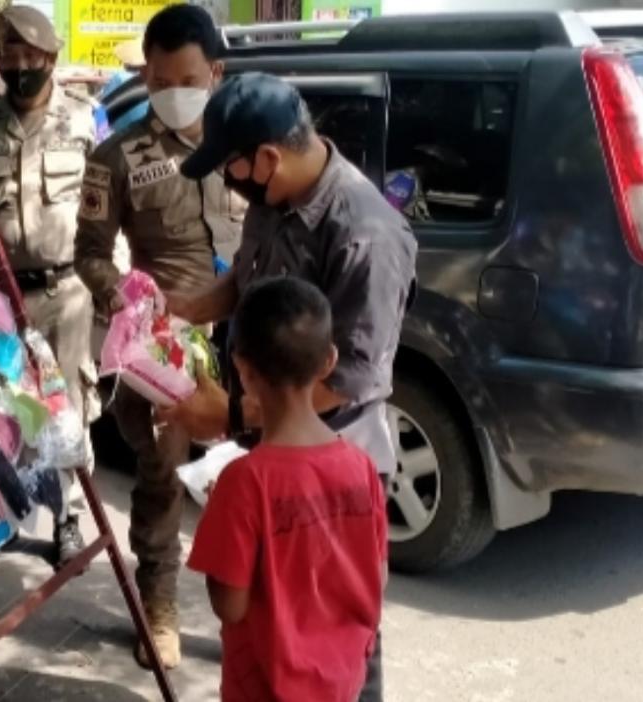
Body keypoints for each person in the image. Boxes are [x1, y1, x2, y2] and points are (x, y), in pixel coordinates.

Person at [166, 72, 418, 700]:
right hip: (279, 448)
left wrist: (231, 416)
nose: (230, 181)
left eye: (231, 166)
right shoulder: (272, 199)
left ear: (268, 158)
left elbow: (353, 378)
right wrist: (186, 310)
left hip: (334, 461)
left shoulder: (366, 234)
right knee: (280, 626)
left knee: (338, 630)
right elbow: (248, 283)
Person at [74, 3, 244, 670]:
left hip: (239, 345)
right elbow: (90, 252)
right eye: (159, 80)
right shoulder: (116, 155)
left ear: (216, 72)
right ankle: (161, 610)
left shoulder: (242, 144)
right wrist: (128, 303)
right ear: (145, 76)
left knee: (248, 483)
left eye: (189, 79)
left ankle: (244, 613)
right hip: (164, 355)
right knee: (163, 482)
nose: (174, 93)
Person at [188, 276, 387, 701]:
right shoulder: (361, 468)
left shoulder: (244, 481)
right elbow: (377, 576)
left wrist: (216, 525)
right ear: (329, 360)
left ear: (242, 368)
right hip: (342, 684)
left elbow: (230, 605)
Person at [0, 5, 99, 568]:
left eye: (31, 57)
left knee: (64, 409)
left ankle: (67, 518)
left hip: (65, 294)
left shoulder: (87, 122)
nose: (21, 67)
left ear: (51, 58)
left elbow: (104, 211)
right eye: (10, 57)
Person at [97, 36, 149, 134]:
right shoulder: (155, 82)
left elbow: (102, 111)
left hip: (123, 134)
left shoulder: (119, 77)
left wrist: (101, 137)